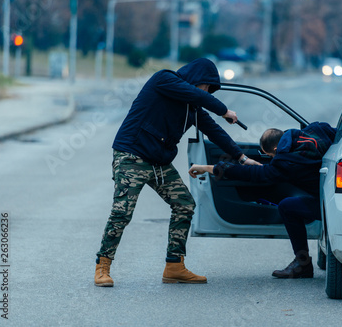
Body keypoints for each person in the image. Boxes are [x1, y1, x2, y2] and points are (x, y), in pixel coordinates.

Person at [94, 58, 259, 287]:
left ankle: (174, 265)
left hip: (159, 163)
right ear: (197, 79)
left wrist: (242, 157)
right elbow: (199, 96)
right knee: (122, 212)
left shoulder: (192, 109)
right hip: (131, 155)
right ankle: (103, 266)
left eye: (211, 90)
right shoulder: (164, 79)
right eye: (207, 86)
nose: (207, 91)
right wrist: (224, 110)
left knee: (184, 204)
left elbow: (214, 132)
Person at [189, 122, 336, 278]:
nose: (271, 159)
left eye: (270, 156)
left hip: (329, 205)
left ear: (275, 149)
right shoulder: (315, 130)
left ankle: (302, 264)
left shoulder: (286, 163)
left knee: (287, 207)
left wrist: (207, 168)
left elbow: (250, 174)